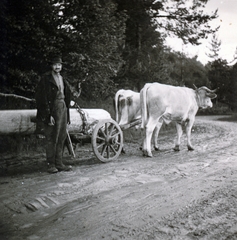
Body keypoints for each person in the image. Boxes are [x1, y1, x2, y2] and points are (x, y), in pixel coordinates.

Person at [35, 56, 72, 173]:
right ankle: (51, 164)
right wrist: (48, 115)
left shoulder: (62, 78)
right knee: (51, 137)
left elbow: (67, 97)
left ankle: (59, 163)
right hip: (52, 109)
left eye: (59, 65)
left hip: (62, 108)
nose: (58, 67)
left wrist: (67, 115)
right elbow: (41, 98)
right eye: (55, 64)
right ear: (51, 66)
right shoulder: (46, 79)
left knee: (61, 136)